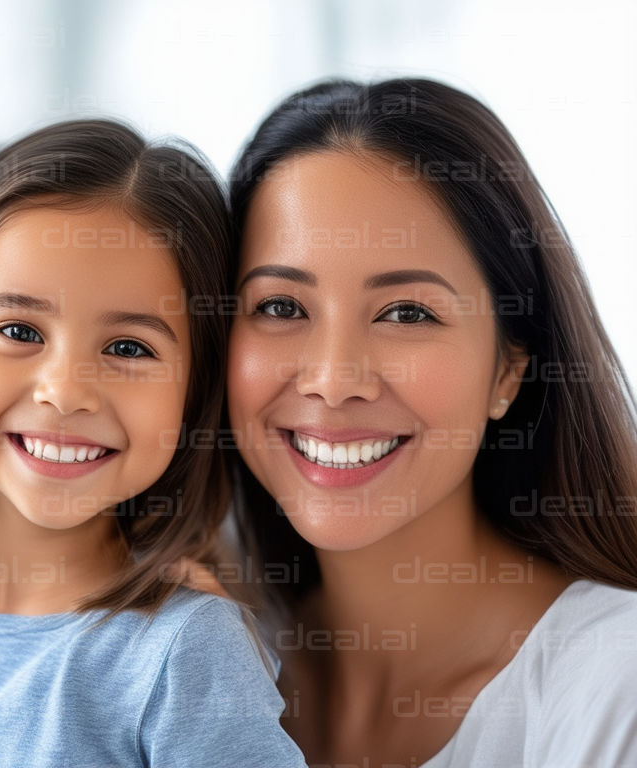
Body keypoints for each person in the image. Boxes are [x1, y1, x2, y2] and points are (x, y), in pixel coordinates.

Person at [0, 120, 305, 767]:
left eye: (127, 348)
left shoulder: (188, 649)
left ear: (195, 389)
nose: (65, 392)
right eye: (20, 330)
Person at [225, 78, 637, 766]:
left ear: (509, 367)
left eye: (407, 313)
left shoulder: (611, 684)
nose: (333, 379)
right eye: (281, 307)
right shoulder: (194, 640)